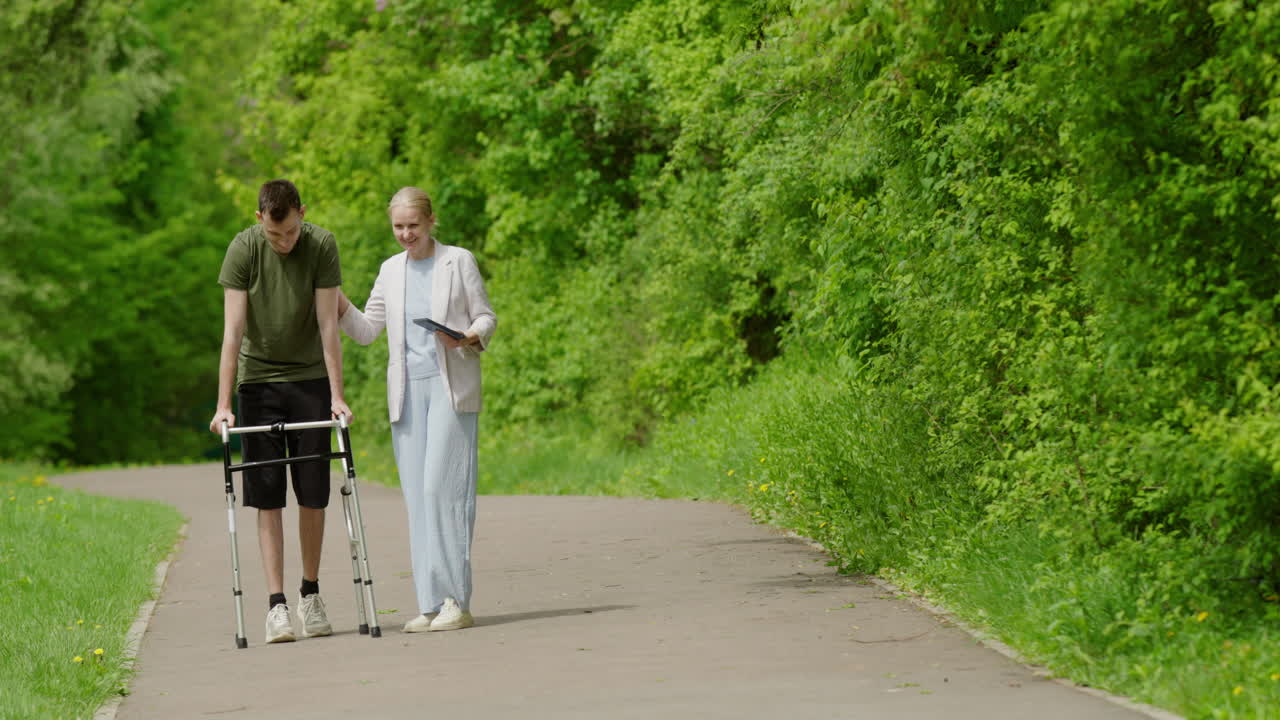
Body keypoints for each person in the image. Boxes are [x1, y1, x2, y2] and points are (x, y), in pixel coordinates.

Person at [337, 185, 496, 632]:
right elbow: (368, 330)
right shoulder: (391, 271)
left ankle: (455, 601)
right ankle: (430, 603)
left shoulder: (457, 260)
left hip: (451, 389)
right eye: (398, 227)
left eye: (412, 225)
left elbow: (486, 317)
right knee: (416, 498)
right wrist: (336, 300)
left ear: (430, 222)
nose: (405, 234)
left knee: (440, 491)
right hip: (407, 394)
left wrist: (466, 337)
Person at [209, 179, 353, 644]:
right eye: (276, 236)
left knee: (314, 491)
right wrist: (223, 405)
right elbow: (233, 332)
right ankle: (276, 605)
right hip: (258, 382)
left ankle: (310, 593)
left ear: (301, 214)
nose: (285, 242)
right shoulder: (243, 250)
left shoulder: (322, 245)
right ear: (260, 222)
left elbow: (329, 324)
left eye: (290, 232)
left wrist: (337, 395)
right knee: (267, 494)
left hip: (309, 376)